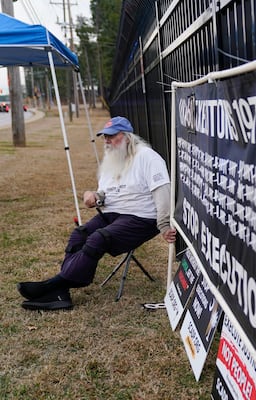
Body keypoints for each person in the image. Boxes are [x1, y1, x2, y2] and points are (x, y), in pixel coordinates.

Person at [17, 116, 177, 310]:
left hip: (142, 218)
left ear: (127, 137)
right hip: (113, 214)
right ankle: (61, 291)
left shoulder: (147, 157)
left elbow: (162, 191)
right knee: (79, 234)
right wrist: (93, 196)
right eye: (104, 137)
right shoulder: (111, 159)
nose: (107, 141)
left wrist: (163, 225)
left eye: (111, 136)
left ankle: (56, 285)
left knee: (98, 238)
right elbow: (106, 193)